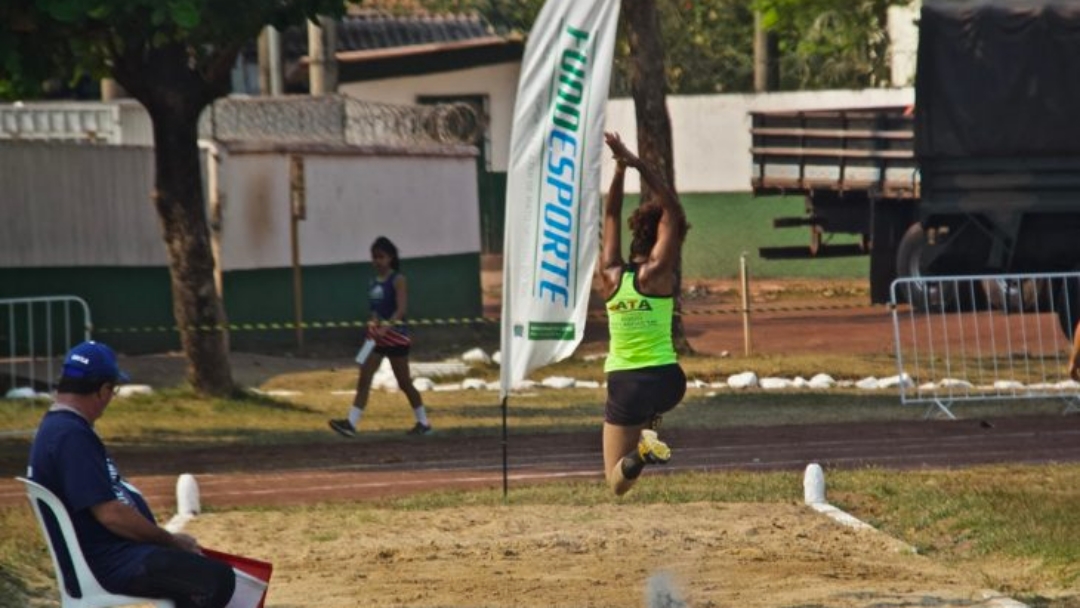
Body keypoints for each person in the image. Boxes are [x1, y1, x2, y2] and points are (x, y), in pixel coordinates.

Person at [26, 341, 235, 608]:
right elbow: (111, 515)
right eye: (113, 390)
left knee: (199, 574)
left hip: (108, 558)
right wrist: (170, 541)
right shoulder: (70, 435)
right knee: (216, 578)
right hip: (109, 564)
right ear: (103, 390)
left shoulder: (59, 428)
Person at [598, 132, 690, 496]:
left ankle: (641, 451)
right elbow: (673, 211)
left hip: (627, 384)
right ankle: (649, 431)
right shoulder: (658, 274)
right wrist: (637, 164)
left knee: (616, 481)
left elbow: (609, 213)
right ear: (663, 239)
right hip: (669, 381)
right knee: (650, 410)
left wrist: (619, 170)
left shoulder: (609, 277)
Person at [329, 236, 432, 437]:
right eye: (374, 257)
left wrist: (387, 327)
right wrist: (373, 322)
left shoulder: (398, 280)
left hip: (396, 338)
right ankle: (350, 423)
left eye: (381, 257)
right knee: (364, 377)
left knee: (404, 383)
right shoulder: (373, 282)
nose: (377, 261)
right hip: (375, 339)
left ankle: (423, 422)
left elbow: (401, 309)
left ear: (390, 257)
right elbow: (374, 309)